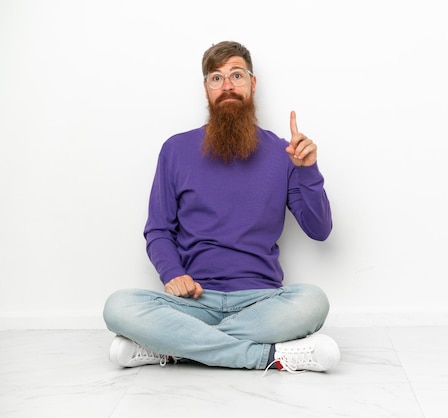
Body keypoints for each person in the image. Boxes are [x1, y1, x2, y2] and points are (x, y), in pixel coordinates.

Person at [103, 41, 340, 373]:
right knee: (118, 306)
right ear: (206, 89)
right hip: (192, 301)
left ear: (252, 84)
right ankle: (269, 357)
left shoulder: (284, 153)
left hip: (262, 301)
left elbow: (320, 230)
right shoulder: (175, 150)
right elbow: (158, 230)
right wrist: (172, 274)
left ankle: (171, 349)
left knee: (313, 301)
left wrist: (308, 170)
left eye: (237, 75)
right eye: (216, 78)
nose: (227, 85)